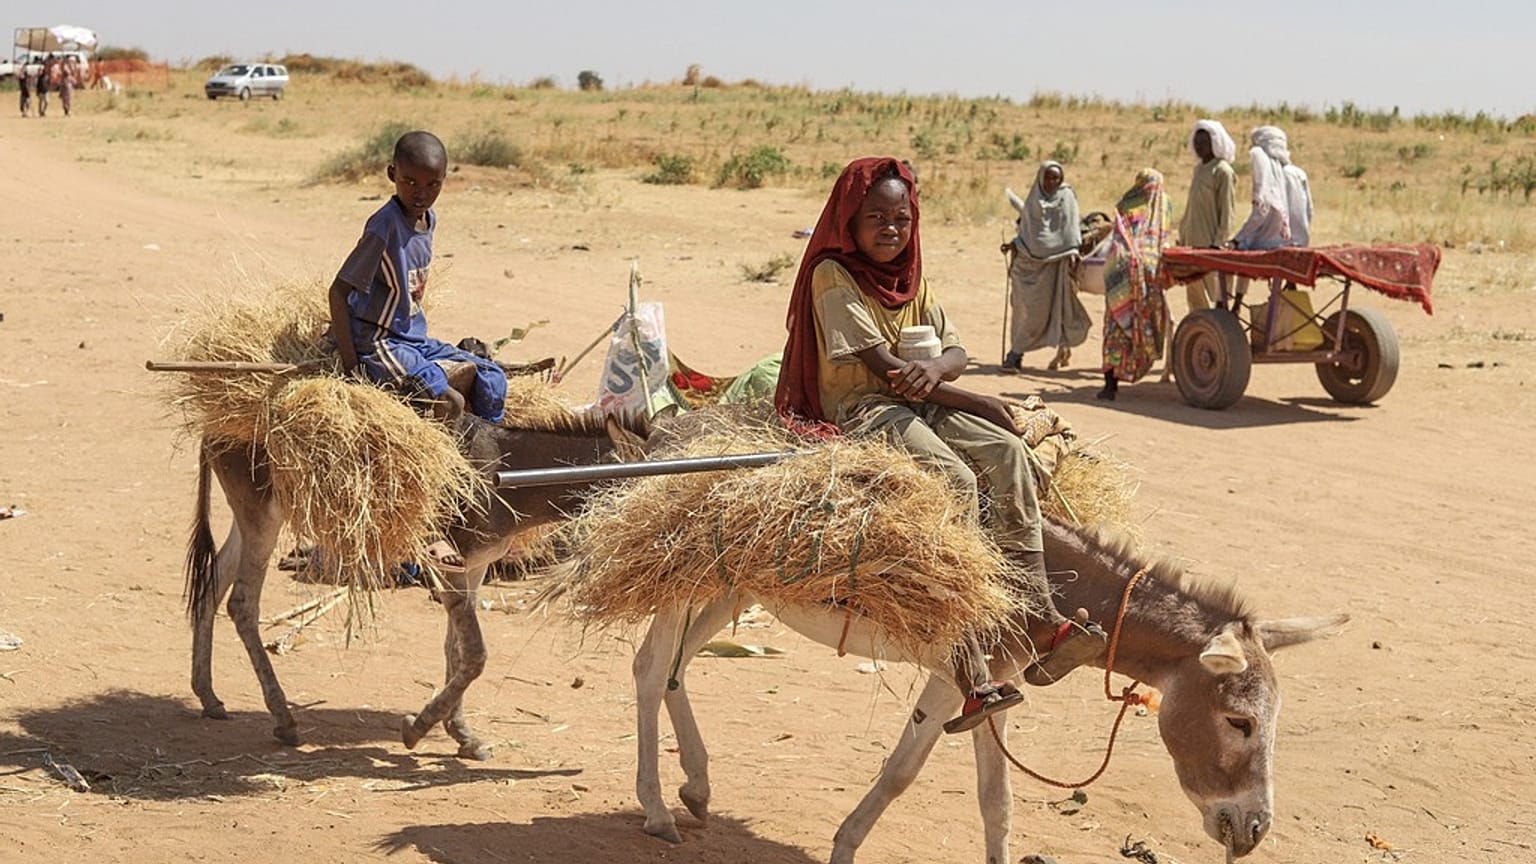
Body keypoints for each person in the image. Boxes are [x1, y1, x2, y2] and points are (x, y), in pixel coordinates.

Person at [775, 157, 1105, 735]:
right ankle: (966, 636)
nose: (890, 229)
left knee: (1010, 456)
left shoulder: (913, 276)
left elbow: (954, 354)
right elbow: (886, 369)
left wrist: (946, 377)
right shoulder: (834, 274)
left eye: (900, 217)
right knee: (951, 478)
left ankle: (1042, 616)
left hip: (921, 398)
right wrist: (970, 397)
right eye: (874, 217)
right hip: (863, 408)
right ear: (848, 222)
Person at [327, 130, 508, 570]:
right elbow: (338, 292)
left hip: (413, 336)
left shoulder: (429, 220)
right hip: (379, 339)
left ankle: (483, 493)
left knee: (493, 377)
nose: (421, 193)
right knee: (447, 401)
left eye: (432, 184)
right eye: (410, 182)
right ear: (392, 175)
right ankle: (429, 521)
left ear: (446, 180)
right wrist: (352, 367)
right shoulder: (383, 227)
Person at [1001, 161, 1090, 373]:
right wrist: (1013, 245)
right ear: (1041, 178)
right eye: (1048, 178)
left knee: (1058, 309)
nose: (1052, 182)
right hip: (1031, 267)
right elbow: (1028, 233)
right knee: (1028, 312)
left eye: (1056, 178)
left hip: (1058, 266)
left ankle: (1017, 354)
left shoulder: (1067, 197)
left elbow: (1070, 232)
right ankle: (1016, 353)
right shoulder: (1034, 201)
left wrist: (1072, 252)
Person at [1097, 169, 1174, 401]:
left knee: (1118, 330)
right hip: (1138, 276)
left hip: (1134, 278)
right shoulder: (1154, 204)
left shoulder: (1141, 203)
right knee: (1128, 329)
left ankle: (1112, 384)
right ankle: (1114, 381)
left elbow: (1124, 238)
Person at [1176, 120, 1237, 312]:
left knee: (1217, 296)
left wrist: (1218, 242)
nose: (1199, 146)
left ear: (1215, 143)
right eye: (1197, 142)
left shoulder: (1223, 171)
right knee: (1194, 297)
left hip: (1209, 244)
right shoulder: (1198, 169)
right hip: (1191, 243)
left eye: (1204, 142)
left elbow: (1227, 210)